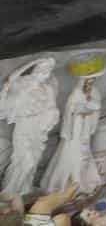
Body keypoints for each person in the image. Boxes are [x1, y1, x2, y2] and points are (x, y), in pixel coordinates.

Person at [0, 58, 59, 196]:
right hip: (25, 126)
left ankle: (24, 189)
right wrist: (32, 62)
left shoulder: (48, 89)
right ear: (36, 70)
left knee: (34, 160)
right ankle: (10, 190)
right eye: (42, 70)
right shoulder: (23, 84)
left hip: (39, 127)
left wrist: (50, 115)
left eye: (47, 71)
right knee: (25, 160)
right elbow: (11, 80)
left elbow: (51, 107)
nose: (45, 74)